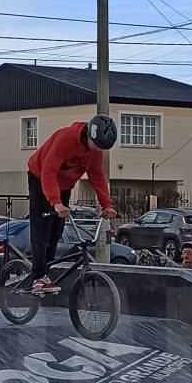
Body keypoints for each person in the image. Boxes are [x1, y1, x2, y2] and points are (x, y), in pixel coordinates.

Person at [26, 115, 118, 293]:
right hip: (40, 177)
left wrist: (106, 204)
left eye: (102, 147)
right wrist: (56, 202)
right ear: (89, 135)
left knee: (56, 230)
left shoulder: (96, 152)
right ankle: (38, 276)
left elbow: (97, 176)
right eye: (97, 145)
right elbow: (48, 171)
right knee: (42, 227)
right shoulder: (66, 138)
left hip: (64, 185)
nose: (98, 150)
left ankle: (46, 272)